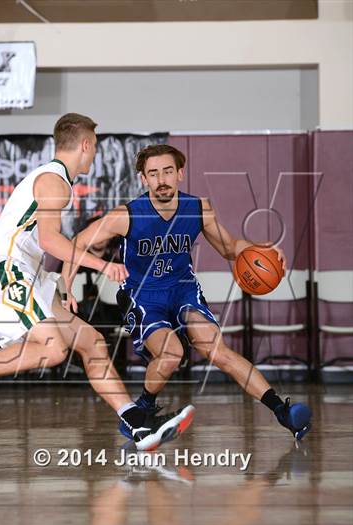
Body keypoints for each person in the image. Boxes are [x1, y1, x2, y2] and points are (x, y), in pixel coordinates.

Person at [0, 119, 194, 452]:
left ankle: (136, 424)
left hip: (30, 275)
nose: (95, 154)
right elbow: (50, 240)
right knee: (54, 349)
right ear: (85, 145)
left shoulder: (55, 180)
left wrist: (64, 286)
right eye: (95, 146)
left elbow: (46, 242)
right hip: (7, 270)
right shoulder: (53, 181)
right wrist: (102, 265)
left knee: (92, 342)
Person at [70, 144, 312, 441]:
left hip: (183, 289)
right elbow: (77, 242)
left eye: (168, 171)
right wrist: (69, 284)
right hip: (143, 295)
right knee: (172, 354)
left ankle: (282, 412)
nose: (162, 179)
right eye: (154, 173)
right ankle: (141, 409)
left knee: (217, 350)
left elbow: (228, 247)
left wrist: (259, 248)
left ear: (180, 174)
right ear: (144, 179)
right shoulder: (127, 215)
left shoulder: (198, 208)